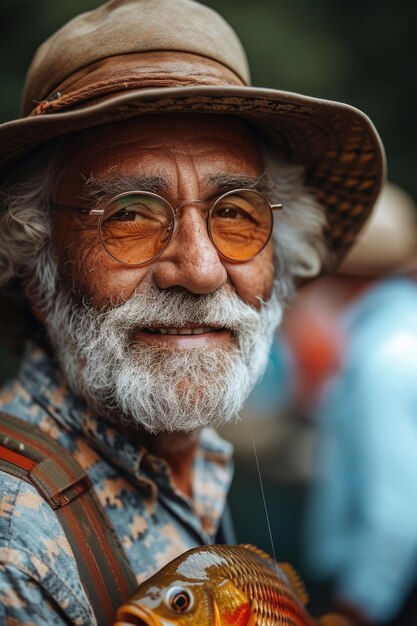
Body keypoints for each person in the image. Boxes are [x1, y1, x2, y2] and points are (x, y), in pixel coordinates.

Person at [0, 0, 384, 623]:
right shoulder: (16, 550)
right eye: (129, 214)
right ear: (35, 270)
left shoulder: (198, 459)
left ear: (279, 266)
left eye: (235, 213)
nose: (201, 271)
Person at [301, 184, 417, 625]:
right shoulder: (401, 334)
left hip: (386, 596)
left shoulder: (382, 358)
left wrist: (356, 607)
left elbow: (397, 514)